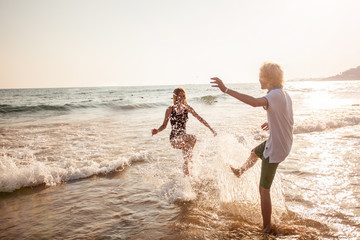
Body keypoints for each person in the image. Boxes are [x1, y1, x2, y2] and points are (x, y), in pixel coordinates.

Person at [210, 62, 293, 233]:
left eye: (261, 77)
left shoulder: (275, 95)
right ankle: (240, 171)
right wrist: (272, 122)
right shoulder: (282, 94)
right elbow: (287, 117)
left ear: (269, 78)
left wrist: (226, 90)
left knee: (264, 189)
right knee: (254, 153)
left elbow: (255, 102)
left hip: (276, 147)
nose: (259, 80)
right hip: (283, 142)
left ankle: (267, 227)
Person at [152, 87, 217, 176]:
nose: (182, 98)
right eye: (180, 96)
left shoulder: (187, 108)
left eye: (184, 96)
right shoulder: (170, 109)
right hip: (174, 140)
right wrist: (157, 130)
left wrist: (211, 129)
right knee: (193, 138)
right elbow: (164, 125)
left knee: (188, 160)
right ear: (175, 97)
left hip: (184, 140)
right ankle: (186, 166)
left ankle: (187, 181)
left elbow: (200, 118)